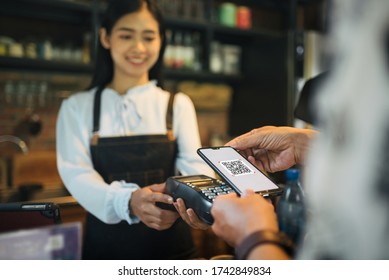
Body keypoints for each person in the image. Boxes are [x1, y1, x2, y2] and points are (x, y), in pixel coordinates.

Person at [56, 0, 212, 260]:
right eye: (126, 35)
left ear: (162, 41)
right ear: (105, 37)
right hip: (105, 253)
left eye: (148, 37)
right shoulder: (76, 107)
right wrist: (127, 201)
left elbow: (197, 171)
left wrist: (200, 206)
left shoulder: (178, 104)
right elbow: (76, 174)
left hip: (173, 252)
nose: (138, 48)